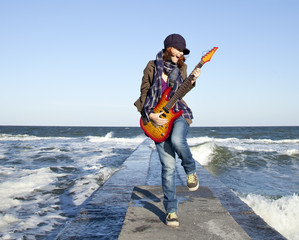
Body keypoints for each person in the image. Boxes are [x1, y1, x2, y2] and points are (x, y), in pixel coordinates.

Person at [134, 33, 201, 227]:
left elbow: (182, 91)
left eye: (183, 51)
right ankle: (171, 210)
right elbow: (144, 91)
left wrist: (193, 80)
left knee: (179, 141)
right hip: (156, 117)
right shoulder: (152, 66)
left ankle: (190, 170)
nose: (181, 54)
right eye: (178, 49)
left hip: (178, 112)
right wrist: (150, 115)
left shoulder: (183, 68)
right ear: (168, 48)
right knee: (168, 167)